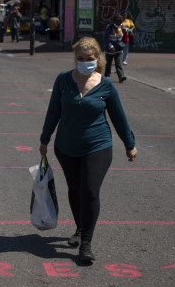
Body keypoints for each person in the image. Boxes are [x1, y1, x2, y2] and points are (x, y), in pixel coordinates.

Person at [39, 36, 137, 264]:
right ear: (75, 60)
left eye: (89, 58)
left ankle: (86, 243)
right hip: (66, 146)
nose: (85, 62)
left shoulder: (106, 85)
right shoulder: (63, 80)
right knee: (75, 189)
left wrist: (129, 144)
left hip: (98, 145)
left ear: (97, 59)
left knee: (90, 190)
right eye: (80, 58)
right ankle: (79, 228)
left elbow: (119, 118)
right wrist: (44, 139)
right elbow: (53, 111)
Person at [103, 14, 127, 83]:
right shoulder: (109, 27)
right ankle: (107, 76)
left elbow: (125, 34)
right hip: (109, 50)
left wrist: (126, 31)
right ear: (114, 21)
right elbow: (105, 38)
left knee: (118, 63)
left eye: (120, 22)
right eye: (118, 22)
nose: (119, 23)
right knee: (108, 63)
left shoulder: (122, 26)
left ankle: (121, 76)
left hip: (118, 49)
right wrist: (110, 46)